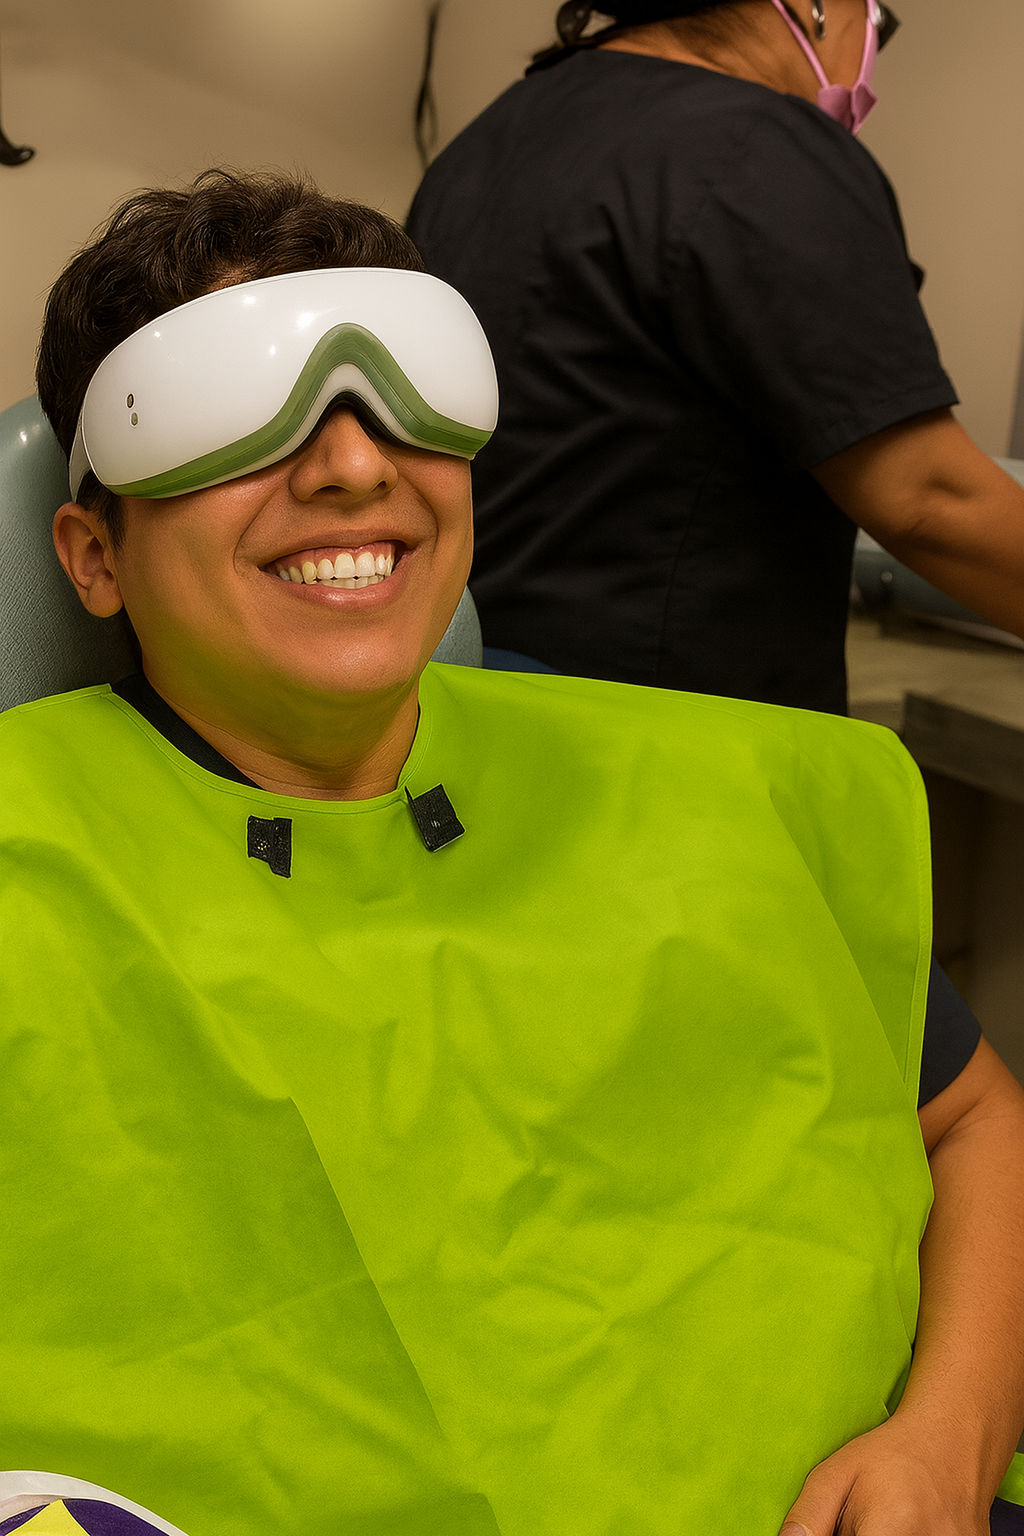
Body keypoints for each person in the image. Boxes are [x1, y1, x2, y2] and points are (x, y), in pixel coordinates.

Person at [1, 168, 1024, 1536]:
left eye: (406, 392)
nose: (354, 465)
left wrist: (949, 1435)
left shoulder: (719, 782)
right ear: (92, 557)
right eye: (231, 409)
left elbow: (976, 1122)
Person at [406, 0, 1024, 711]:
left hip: (471, 704)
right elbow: (928, 498)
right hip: (665, 733)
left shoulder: (487, 140)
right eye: (875, 20)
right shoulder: (758, 147)